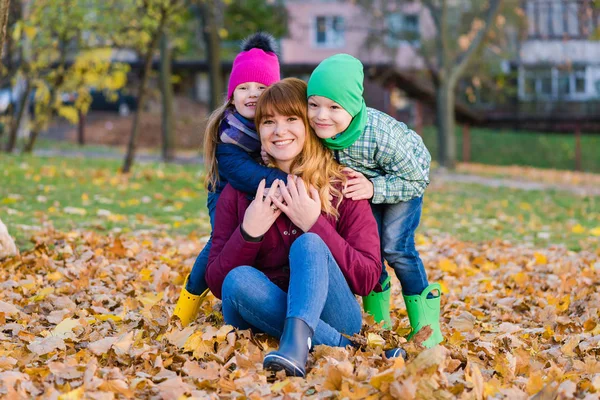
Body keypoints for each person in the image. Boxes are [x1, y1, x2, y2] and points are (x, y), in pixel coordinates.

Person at [205, 78, 403, 378]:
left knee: (309, 244)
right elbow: (220, 285)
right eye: (268, 121)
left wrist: (314, 224)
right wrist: (249, 233)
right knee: (238, 279)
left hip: (334, 312)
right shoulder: (240, 191)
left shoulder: (342, 186)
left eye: (291, 119)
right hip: (257, 305)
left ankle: (297, 344)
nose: (279, 131)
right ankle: (340, 348)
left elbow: (367, 278)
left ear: (309, 125)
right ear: (259, 131)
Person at [306, 54, 443, 348]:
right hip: (360, 188)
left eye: (334, 107)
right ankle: (378, 324)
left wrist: (375, 188)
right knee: (369, 249)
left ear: (353, 108)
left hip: (400, 182)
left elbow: (417, 179)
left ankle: (427, 329)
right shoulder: (316, 133)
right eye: (313, 104)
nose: (321, 115)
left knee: (395, 246)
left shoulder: (380, 134)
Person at [173, 33, 288, 326]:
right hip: (225, 194)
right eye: (243, 87)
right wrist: (283, 177)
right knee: (220, 245)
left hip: (255, 194)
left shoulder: (278, 126)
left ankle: (255, 295)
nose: (251, 94)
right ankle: (188, 302)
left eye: (261, 88)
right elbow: (244, 174)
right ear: (231, 95)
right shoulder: (229, 133)